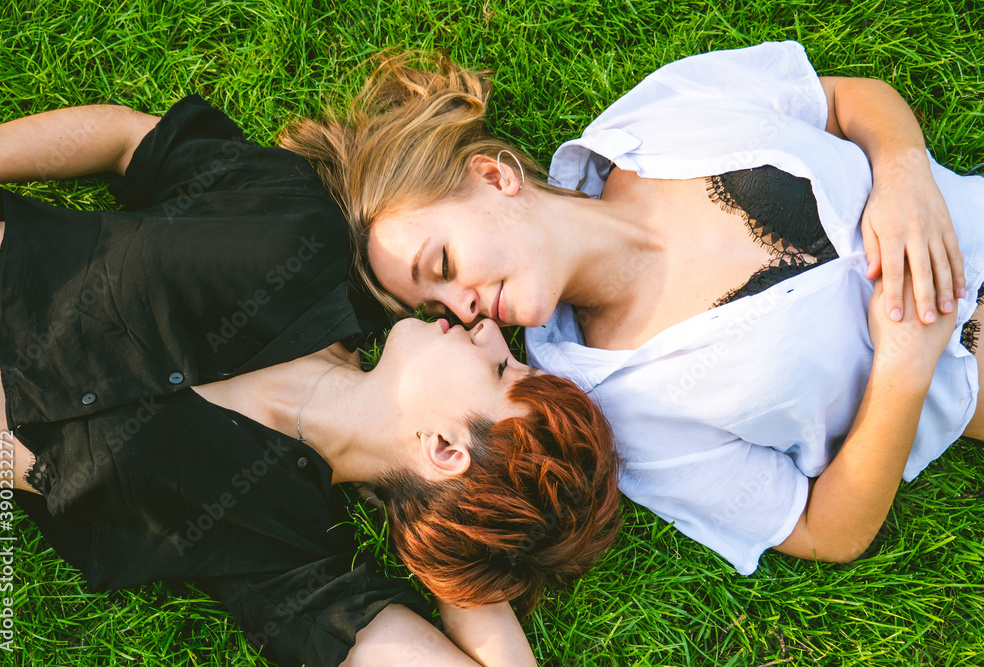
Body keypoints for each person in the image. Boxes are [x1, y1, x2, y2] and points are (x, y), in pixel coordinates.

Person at [287, 41, 984, 576]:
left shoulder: (654, 121)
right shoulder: (623, 410)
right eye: (437, 305)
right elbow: (824, 530)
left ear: (493, 176)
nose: (464, 307)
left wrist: (902, 173)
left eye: (442, 265)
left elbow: (842, 102)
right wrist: (903, 370)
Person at [0, 95, 621, 666]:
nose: (486, 330)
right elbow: (127, 139)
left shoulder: (283, 546)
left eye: (503, 370)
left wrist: (459, 548)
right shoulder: (303, 237)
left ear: (446, 450)